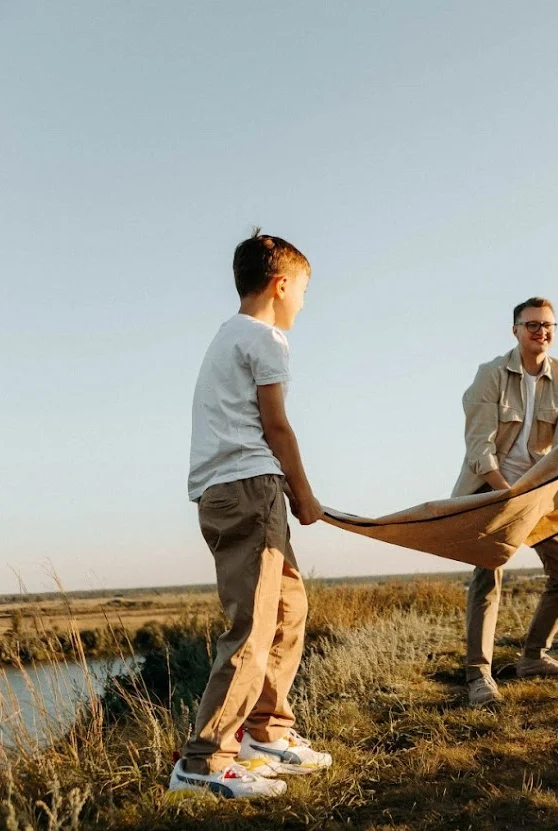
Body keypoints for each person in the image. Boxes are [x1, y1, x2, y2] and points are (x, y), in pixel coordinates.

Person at [169, 230, 332, 799]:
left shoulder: (226, 336)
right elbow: (276, 425)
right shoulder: (266, 339)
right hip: (249, 488)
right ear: (281, 284)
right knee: (253, 629)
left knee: (289, 610)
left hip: (228, 490)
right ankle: (204, 761)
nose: (305, 302)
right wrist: (303, 494)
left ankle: (267, 734)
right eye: (304, 289)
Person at [455, 297, 558, 707]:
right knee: (488, 576)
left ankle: (533, 656)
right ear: (515, 330)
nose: (540, 331)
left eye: (548, 325)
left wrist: (538, 492)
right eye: (531, 325)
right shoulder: (490, 374)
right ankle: (479, 676)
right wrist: (504, 490)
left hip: (538, 492)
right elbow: (479, 442)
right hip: (492, 490)